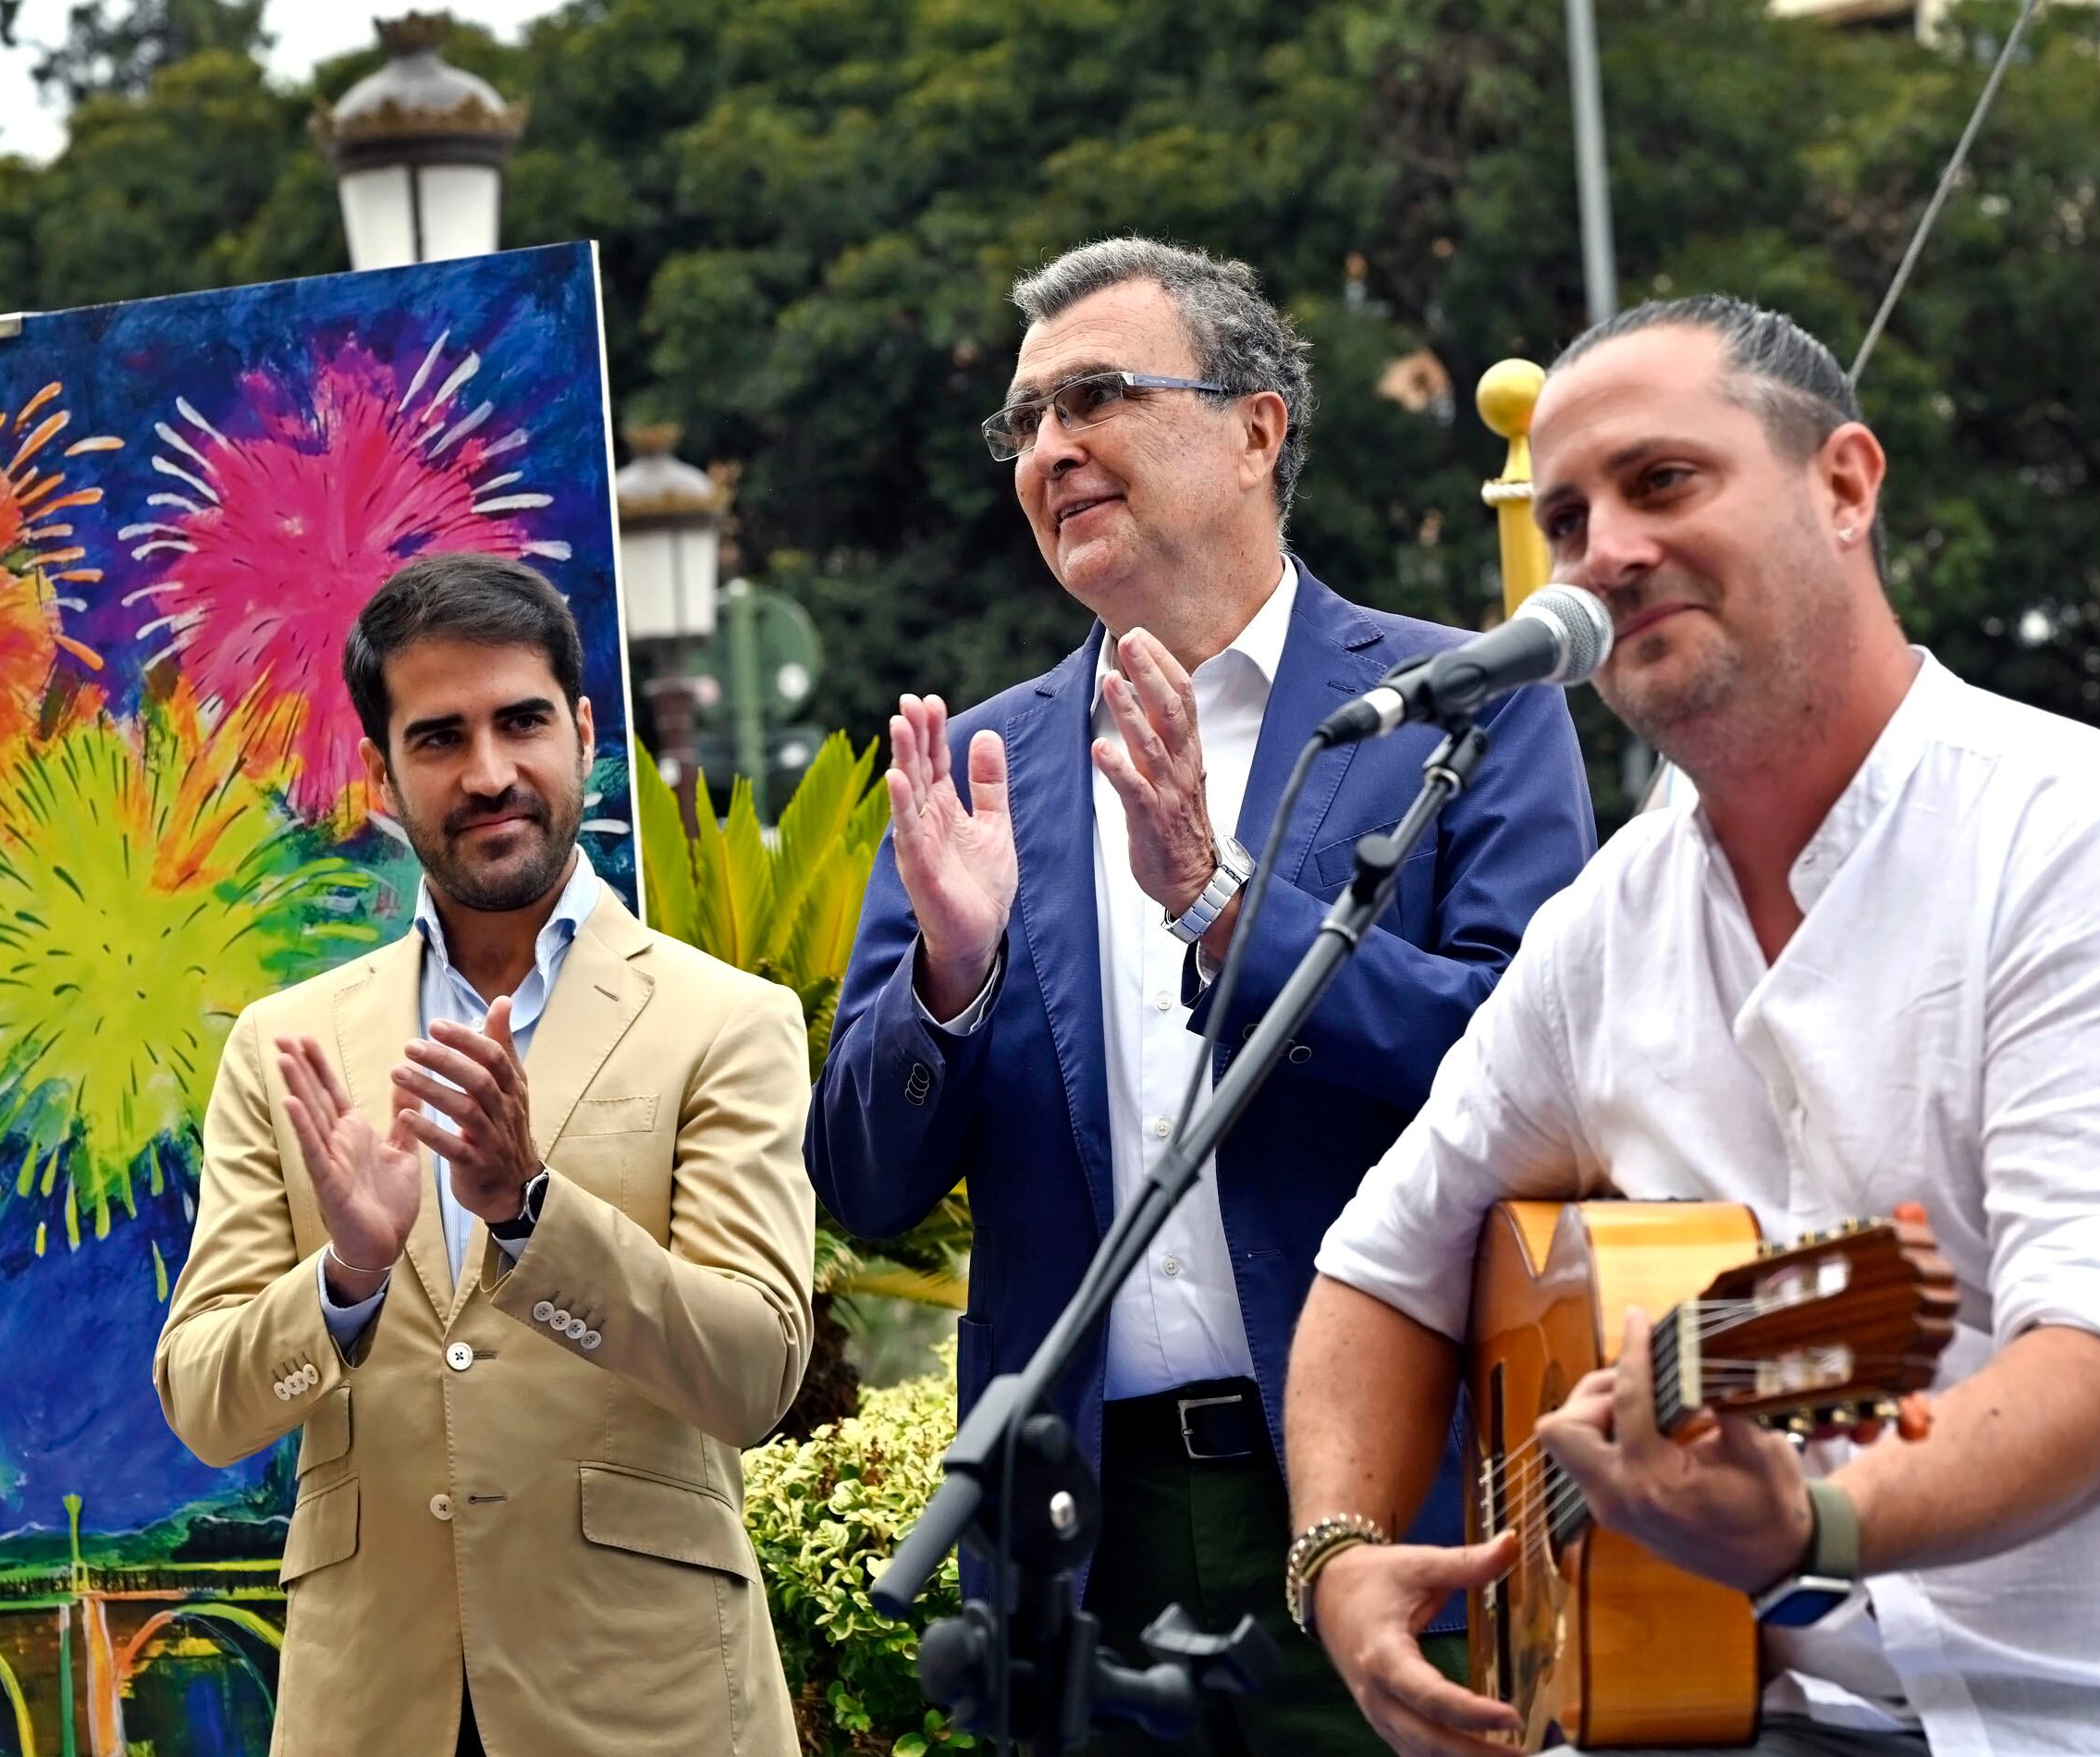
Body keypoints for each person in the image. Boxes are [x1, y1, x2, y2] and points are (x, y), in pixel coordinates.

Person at [1283, 295, 2100, 1757]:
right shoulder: (1609, 926)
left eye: (1663, 483)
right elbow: (1379, 1266)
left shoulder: (2093, 851)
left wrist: (1813, 1527)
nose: (1607, 556)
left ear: (1846, 485)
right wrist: (1340, 1563)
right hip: (1756, 1709)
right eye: (1571, 520)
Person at [806, 238, 1595, 1754]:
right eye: (1024, 424)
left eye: (1096, 396)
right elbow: (865, 1182)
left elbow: (1536, 1073)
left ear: (1255, 430)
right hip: (1081, 1548)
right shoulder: (980, 772)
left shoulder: (1462, 708)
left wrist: (1223, 908)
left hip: (1398, 1506)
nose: (1050, 451)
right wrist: (952, 986)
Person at [154, 552, 816, 1757]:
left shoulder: (727, 1021)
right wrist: (345, 1283)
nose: (489, 772)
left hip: (647, 1703)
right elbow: (205, 1402)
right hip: (370, 1707)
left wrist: (529, 1212)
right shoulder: (286, 1048)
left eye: (520, 722)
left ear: (583, 727)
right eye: (440, 738)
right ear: (382, 772)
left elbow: (754, 1373)